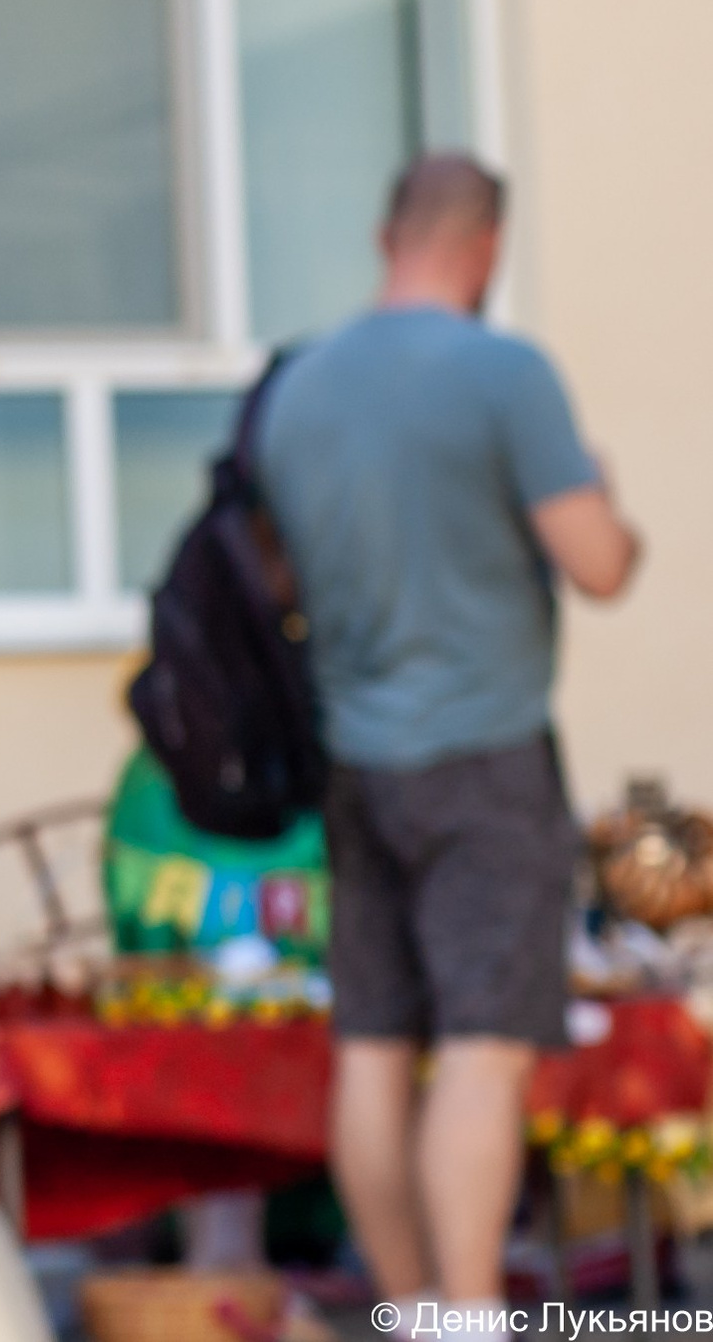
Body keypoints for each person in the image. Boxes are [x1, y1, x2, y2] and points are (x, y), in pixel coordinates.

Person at [254, 154, 641, 1323]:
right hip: (486, 755)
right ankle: (467, 1319)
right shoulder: (504, 372)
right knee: (480, 1048)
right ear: (485, 248)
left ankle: (412, 1305)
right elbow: (599, 563)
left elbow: (283, 572)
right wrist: (604, 496)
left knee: (372, 1043)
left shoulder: (300, 386)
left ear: (388, 237)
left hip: (357, 761)